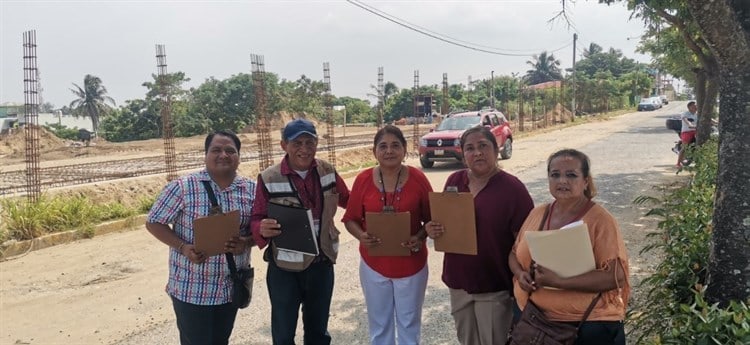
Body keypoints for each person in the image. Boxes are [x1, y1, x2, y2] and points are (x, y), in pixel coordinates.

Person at [425, 126, 534, 345]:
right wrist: (432, 230)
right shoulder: (455, 181)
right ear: (463, 154)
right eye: (470, 148)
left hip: (493, 285)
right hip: (458, 281)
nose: (477, 153)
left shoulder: (513, 189)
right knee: (467, 340)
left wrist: (521, 276)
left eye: (483, 146)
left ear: (496, 149)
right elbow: (445, 222)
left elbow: (525, 242)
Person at [509, 149, 630, 345]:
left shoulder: (601, 220)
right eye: (555, 175)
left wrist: (558, 281)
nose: (562, 181)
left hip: (585, 327)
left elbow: (615, 277)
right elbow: (514, 254)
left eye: (571, 175)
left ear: (585, 181)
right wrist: (520, 273)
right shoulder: (538, 213)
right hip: (533, 322)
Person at [146, 130, 255, 345]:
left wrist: (247, 242)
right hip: (192, 288)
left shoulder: (250, 190)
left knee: (220, 340)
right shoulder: (183, 187)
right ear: (205, 155)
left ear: (239, 156)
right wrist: (183, 247)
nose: (223, 155)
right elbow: (154, 222)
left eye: (230, 150)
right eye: (216, 150)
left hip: (230, 286)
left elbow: (259, 228)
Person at [251, 118, 350, 345]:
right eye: (297, 143)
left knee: (318, 332)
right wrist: (261, 228)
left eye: (310, 142)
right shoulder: (268, 178)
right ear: (284, 145)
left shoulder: (328, 171)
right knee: (284, 334)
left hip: (321, 264)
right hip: (285, 270)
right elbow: (256, 218)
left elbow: (350, 202)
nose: (304, 149)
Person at [342, 125, 432, 345]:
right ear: (374, 152)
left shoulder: (418, 179)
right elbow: (350, 219)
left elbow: (432, 220)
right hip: (374, 265)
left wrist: (419, 237)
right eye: (383, 146)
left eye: (395, 145)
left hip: (411, 265)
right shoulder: (363, 180)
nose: (389, 151)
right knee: (379, 325)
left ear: (404, 149)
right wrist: (361, 235)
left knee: (409, 325)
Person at [677, 101, 698, 167]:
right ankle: (678, 163)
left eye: (696, 106)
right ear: (689, 107)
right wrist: (690, 125)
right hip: (687, 132)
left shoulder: (697, 114)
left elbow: (709, 119)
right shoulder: (685, 114)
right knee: (684, 147)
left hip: (696, 131)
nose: (695, 107)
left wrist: (717, 122)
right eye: (693, 106)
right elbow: (686, 120)